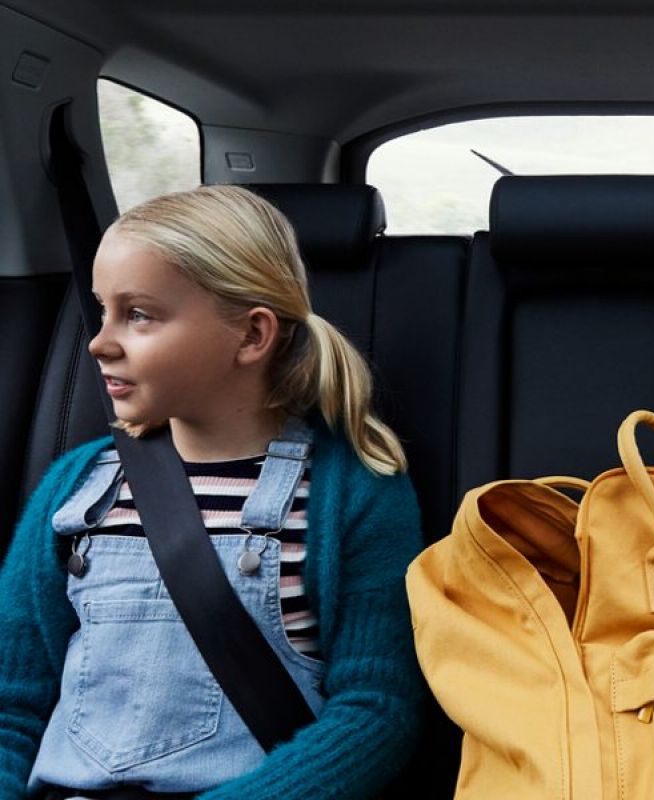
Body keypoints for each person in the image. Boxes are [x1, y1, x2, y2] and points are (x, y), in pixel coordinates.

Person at [0, 186, 424, 799]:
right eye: (102, 311)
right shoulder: (78, 487)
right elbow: (12, 702)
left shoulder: (352, 492)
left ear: (252, 336)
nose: (99, 341)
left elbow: (374, 711)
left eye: (139, 314)